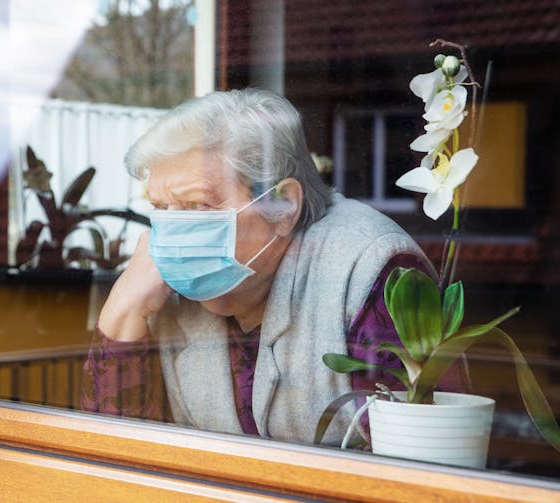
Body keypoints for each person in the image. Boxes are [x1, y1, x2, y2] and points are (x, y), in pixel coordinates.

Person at [80, 88, 433, 444]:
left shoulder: (368, 268)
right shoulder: (163, 283)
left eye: (197, 205)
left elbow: (416, 465)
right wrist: (123, 309)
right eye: (160, 207)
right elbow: (120, 461)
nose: (171, 235)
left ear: (282, 207)